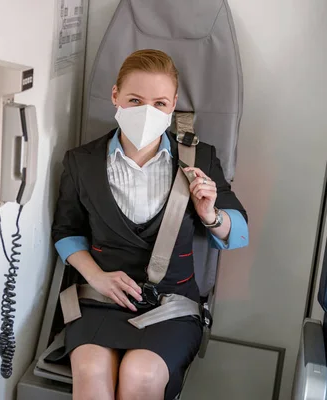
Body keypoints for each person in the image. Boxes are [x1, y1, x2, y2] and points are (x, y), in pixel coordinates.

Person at [50, 49, 249, 400]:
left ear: (173, 106)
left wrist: (210, 215)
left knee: (140, 374)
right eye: (135, 99)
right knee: (91, 370)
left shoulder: (199, 159)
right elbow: (66, 232)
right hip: (98, 297)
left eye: (159, 103)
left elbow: (237, 232)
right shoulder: (82, 162)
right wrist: (95, 276)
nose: (146, 111)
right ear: (115, 97)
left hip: (171, 304)